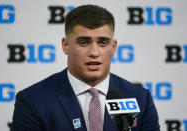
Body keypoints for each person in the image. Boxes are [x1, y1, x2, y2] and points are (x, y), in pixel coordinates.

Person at [12, 4, 160, 131]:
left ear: (113, 47)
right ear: (66, 45)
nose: (94, 53)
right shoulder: (33, 100)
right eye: (84, 42)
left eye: (103, 42)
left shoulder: (140, 98)